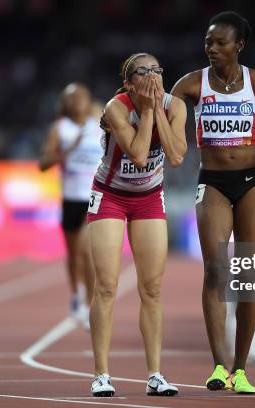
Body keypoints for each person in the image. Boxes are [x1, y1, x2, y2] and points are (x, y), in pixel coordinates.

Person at [171, 11, 255, 394]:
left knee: (248, 273)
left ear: (239, 45)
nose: (211, 49)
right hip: (212, 181)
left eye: (220, 43)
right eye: (208, 43)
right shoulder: (191, 85)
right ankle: (218, 366)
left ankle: (241, 369)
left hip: (250, 181)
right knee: (215, 269)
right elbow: (159, 113)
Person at [88, 53, 187, 397]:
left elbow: (175, 156)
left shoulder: (177, 107)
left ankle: (155, 375)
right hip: (110, 195)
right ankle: (101, 374)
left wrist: (158, 108)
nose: (151, 76)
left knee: (152, 288)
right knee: (106, 286)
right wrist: (146, 110)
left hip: (148, 196)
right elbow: (140, 154)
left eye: (156, 70)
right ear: (129, 83)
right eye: (142, 72)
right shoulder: (117, 107)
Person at [39, 83, 101, 329]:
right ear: (65, 103)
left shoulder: (99, 124)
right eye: (71, 98)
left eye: (81, 97)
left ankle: (88, 306)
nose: (77, 101)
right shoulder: (60, 129)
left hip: (94, 196)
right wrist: (66, 152)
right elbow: (43, 163)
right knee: (73, 255)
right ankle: (76, 294)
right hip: (70, 197)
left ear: (88, 100)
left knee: (87, 253)